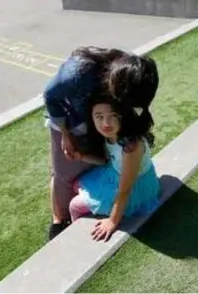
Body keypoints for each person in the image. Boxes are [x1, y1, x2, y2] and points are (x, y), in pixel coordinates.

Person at [43, 47, 159, 240]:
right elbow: (50, 95)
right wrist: (66, 134)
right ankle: (59, 220)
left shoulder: (129, 143)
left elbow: (125, 187)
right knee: (66, 176)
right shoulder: (77, 75)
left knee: (77, 198)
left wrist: (113, 220)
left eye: (117, 113)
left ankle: (76, 229)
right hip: (73, 119)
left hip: (128, 182)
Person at [69, 88, 160, 242]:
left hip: (134, 186)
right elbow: (107, 160)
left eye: (113, 116)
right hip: (115, 173)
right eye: (99, 116)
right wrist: (81, 156)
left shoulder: (131, 146)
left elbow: (125, 189)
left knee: (74, 206)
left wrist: (112, 221)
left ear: (123, 116)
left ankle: (76, 240)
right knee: (76, 184)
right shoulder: (111, 135)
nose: (105, 123)